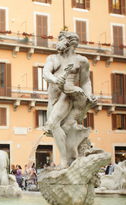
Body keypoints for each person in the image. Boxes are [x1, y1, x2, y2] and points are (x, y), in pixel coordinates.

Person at [43, 31, 96, 168]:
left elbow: (85, 81)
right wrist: (55, 79)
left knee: (54, 123)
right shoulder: (53, 58)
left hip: (68, 93)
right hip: (53, 96)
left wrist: (88, 95)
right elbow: (46, 73)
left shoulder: (81, 60)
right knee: (59, 128)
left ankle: (64, 162)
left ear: (69, 42)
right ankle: (72, 157)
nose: (58, 42)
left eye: (61, 39)